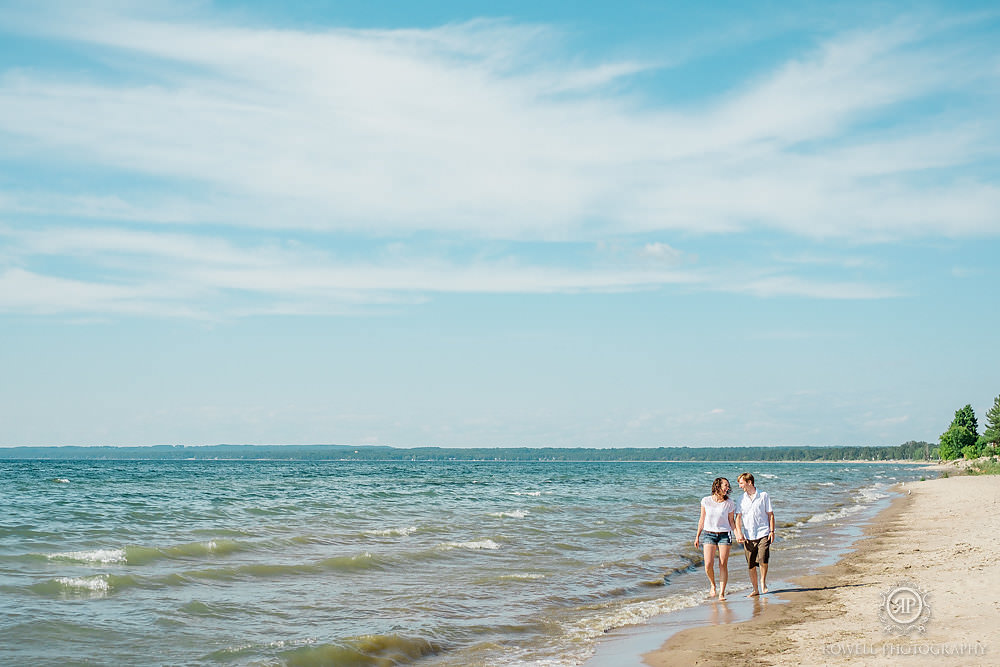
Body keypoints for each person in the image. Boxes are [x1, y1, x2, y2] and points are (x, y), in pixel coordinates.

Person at [694, 477, 737, 600]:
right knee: (708, 564)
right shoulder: (706, 501)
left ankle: (722, 593)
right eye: (725, 485)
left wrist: (738, 534)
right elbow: (702, 519)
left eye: (728, 486)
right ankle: (713, 585)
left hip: (724, 535)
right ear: (717, 486)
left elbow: (731, 521)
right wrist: (697, 536)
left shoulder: (729, 502)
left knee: (723, 564)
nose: (727, 488)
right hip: (709, 534)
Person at [734, 472, 775, 597]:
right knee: (751, 564)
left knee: (763, 559)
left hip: (763, 532)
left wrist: (772, 531)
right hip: (748, 536)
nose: (740, 486)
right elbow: (738, 518)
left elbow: (770, 515)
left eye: (741, 483)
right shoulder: (740, 499)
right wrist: (739, 533)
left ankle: (763, 581)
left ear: (749, 482)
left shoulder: (763, 495)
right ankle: (755, 589)